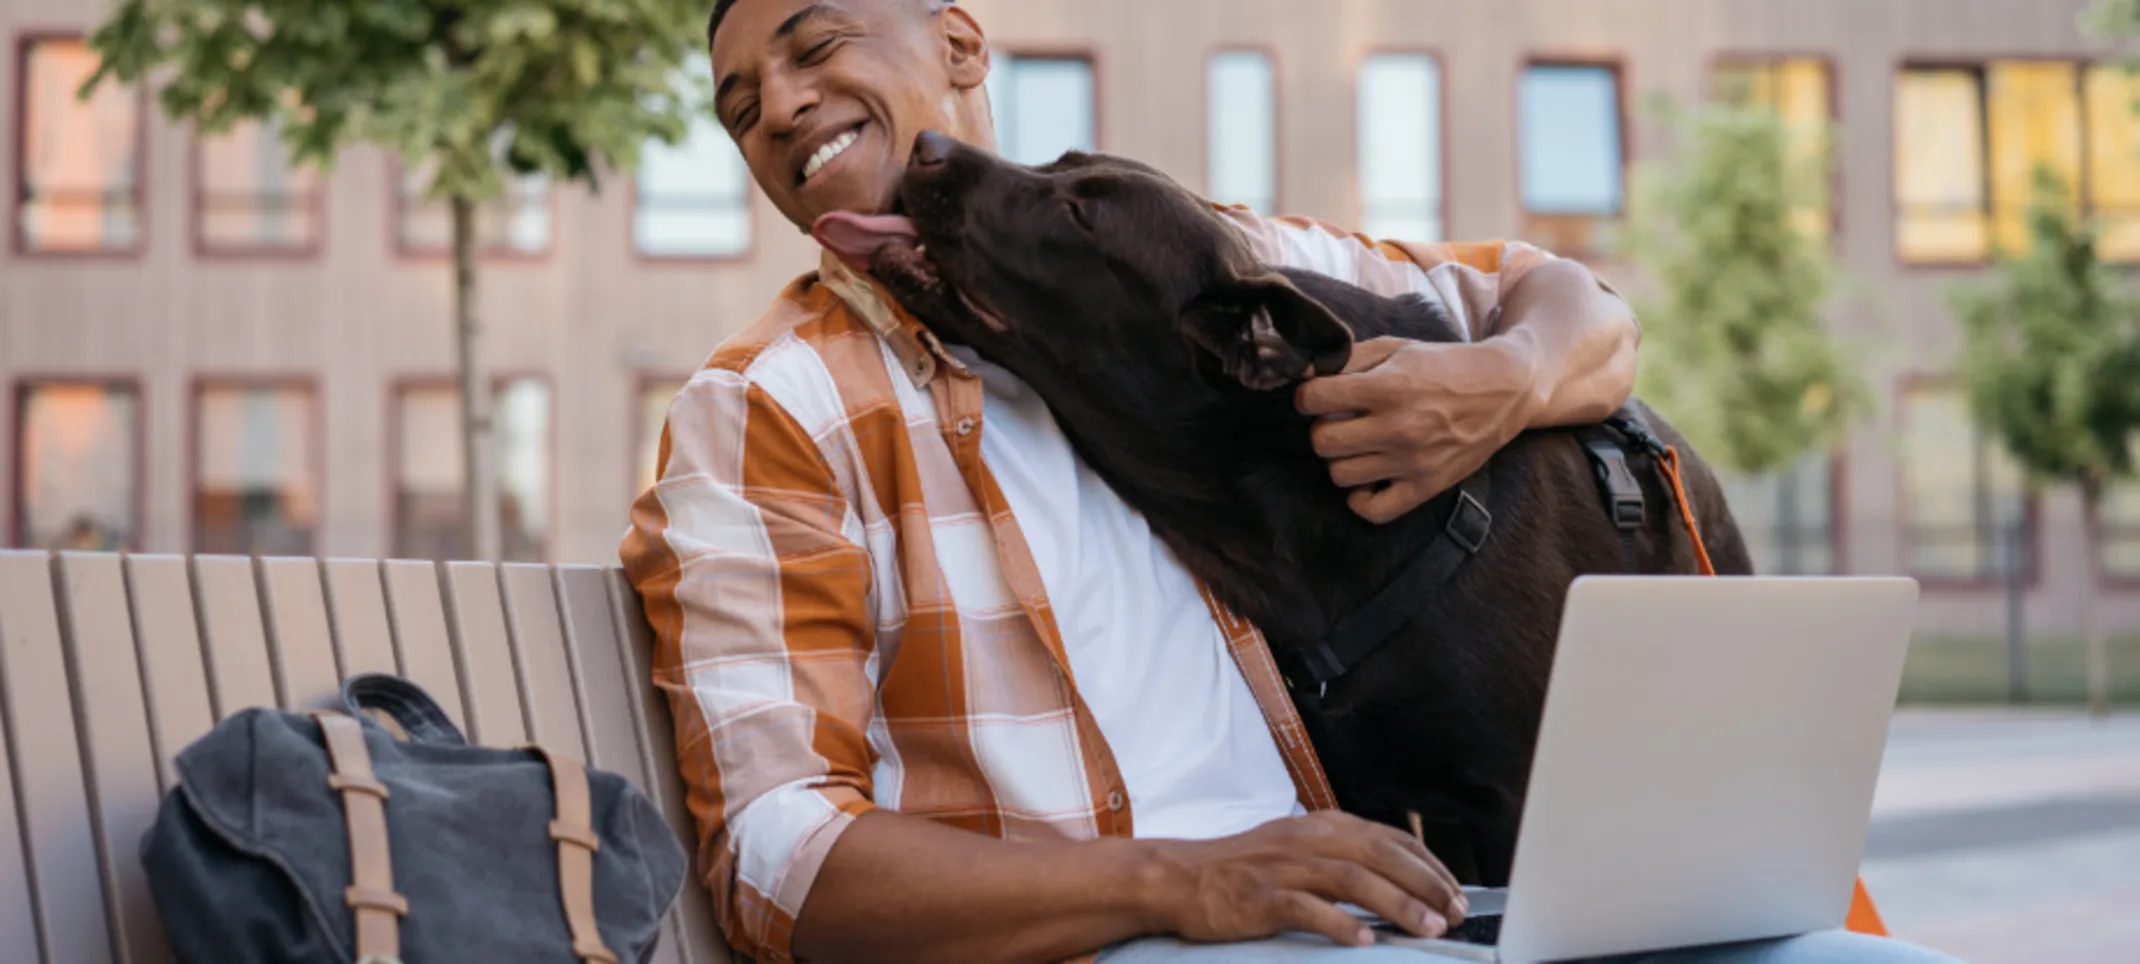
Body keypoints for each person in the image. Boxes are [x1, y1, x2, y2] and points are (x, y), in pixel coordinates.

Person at [620, 2, 1960, 962]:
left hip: (1375, 906)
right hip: (1132, 935)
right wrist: (1175, 883)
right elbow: (779, 865)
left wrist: (1511, 376)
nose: (779, 104)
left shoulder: (1189, 255)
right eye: (740, 105)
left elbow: (1574, 305)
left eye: (814, 42)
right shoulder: (771, 408)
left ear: (959, 44)